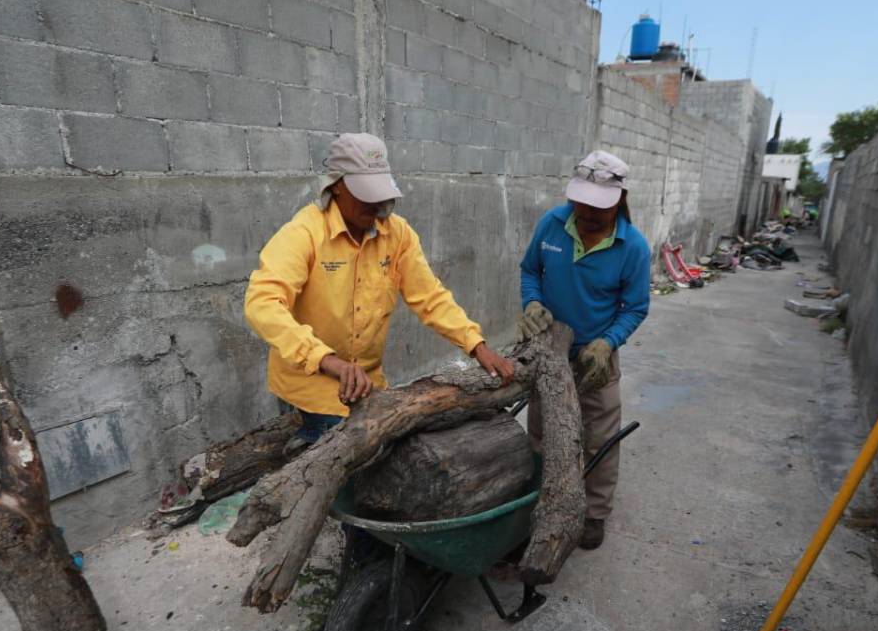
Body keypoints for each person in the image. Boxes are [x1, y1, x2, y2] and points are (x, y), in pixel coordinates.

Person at [245, 132, 515, 447]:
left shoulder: (397, 234)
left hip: (368, 386)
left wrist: (477, 345)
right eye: (365, 195)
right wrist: (326, 360)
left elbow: (430, 296)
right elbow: (262, 303)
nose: (375, 205)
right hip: (310, 387)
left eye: (379, 195)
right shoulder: (304, 233)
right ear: (337, 186)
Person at [517, 150, 650, 550]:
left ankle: (593, 512)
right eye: (582, 204)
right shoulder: (552, 224)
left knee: (599, 438)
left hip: (598, 356)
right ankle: (543, 500)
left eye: (598, 208)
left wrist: (607, 343)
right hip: (551, 350)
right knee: (544, 432)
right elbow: (529, 271)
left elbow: (637, 307)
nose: (588, 214)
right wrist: (532, 303)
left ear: (620, 201)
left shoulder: (634, 248)